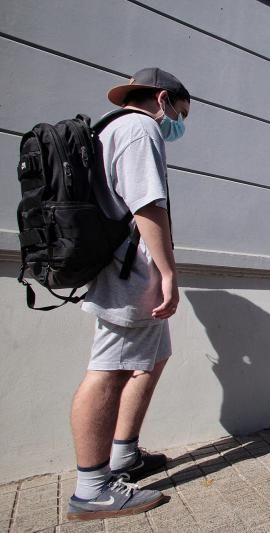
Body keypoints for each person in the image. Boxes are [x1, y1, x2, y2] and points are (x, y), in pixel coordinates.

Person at [67, 68, 191, 521]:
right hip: (129, 271)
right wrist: (168, 270)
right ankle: (92, 489)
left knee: (152, 357)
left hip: (121, 266)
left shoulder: (109, 128)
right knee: (109, 370)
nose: (178, 123)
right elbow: (147, 205)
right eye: (179, 113)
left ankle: (124, 456)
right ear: (162, 99)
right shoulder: (140, 128)